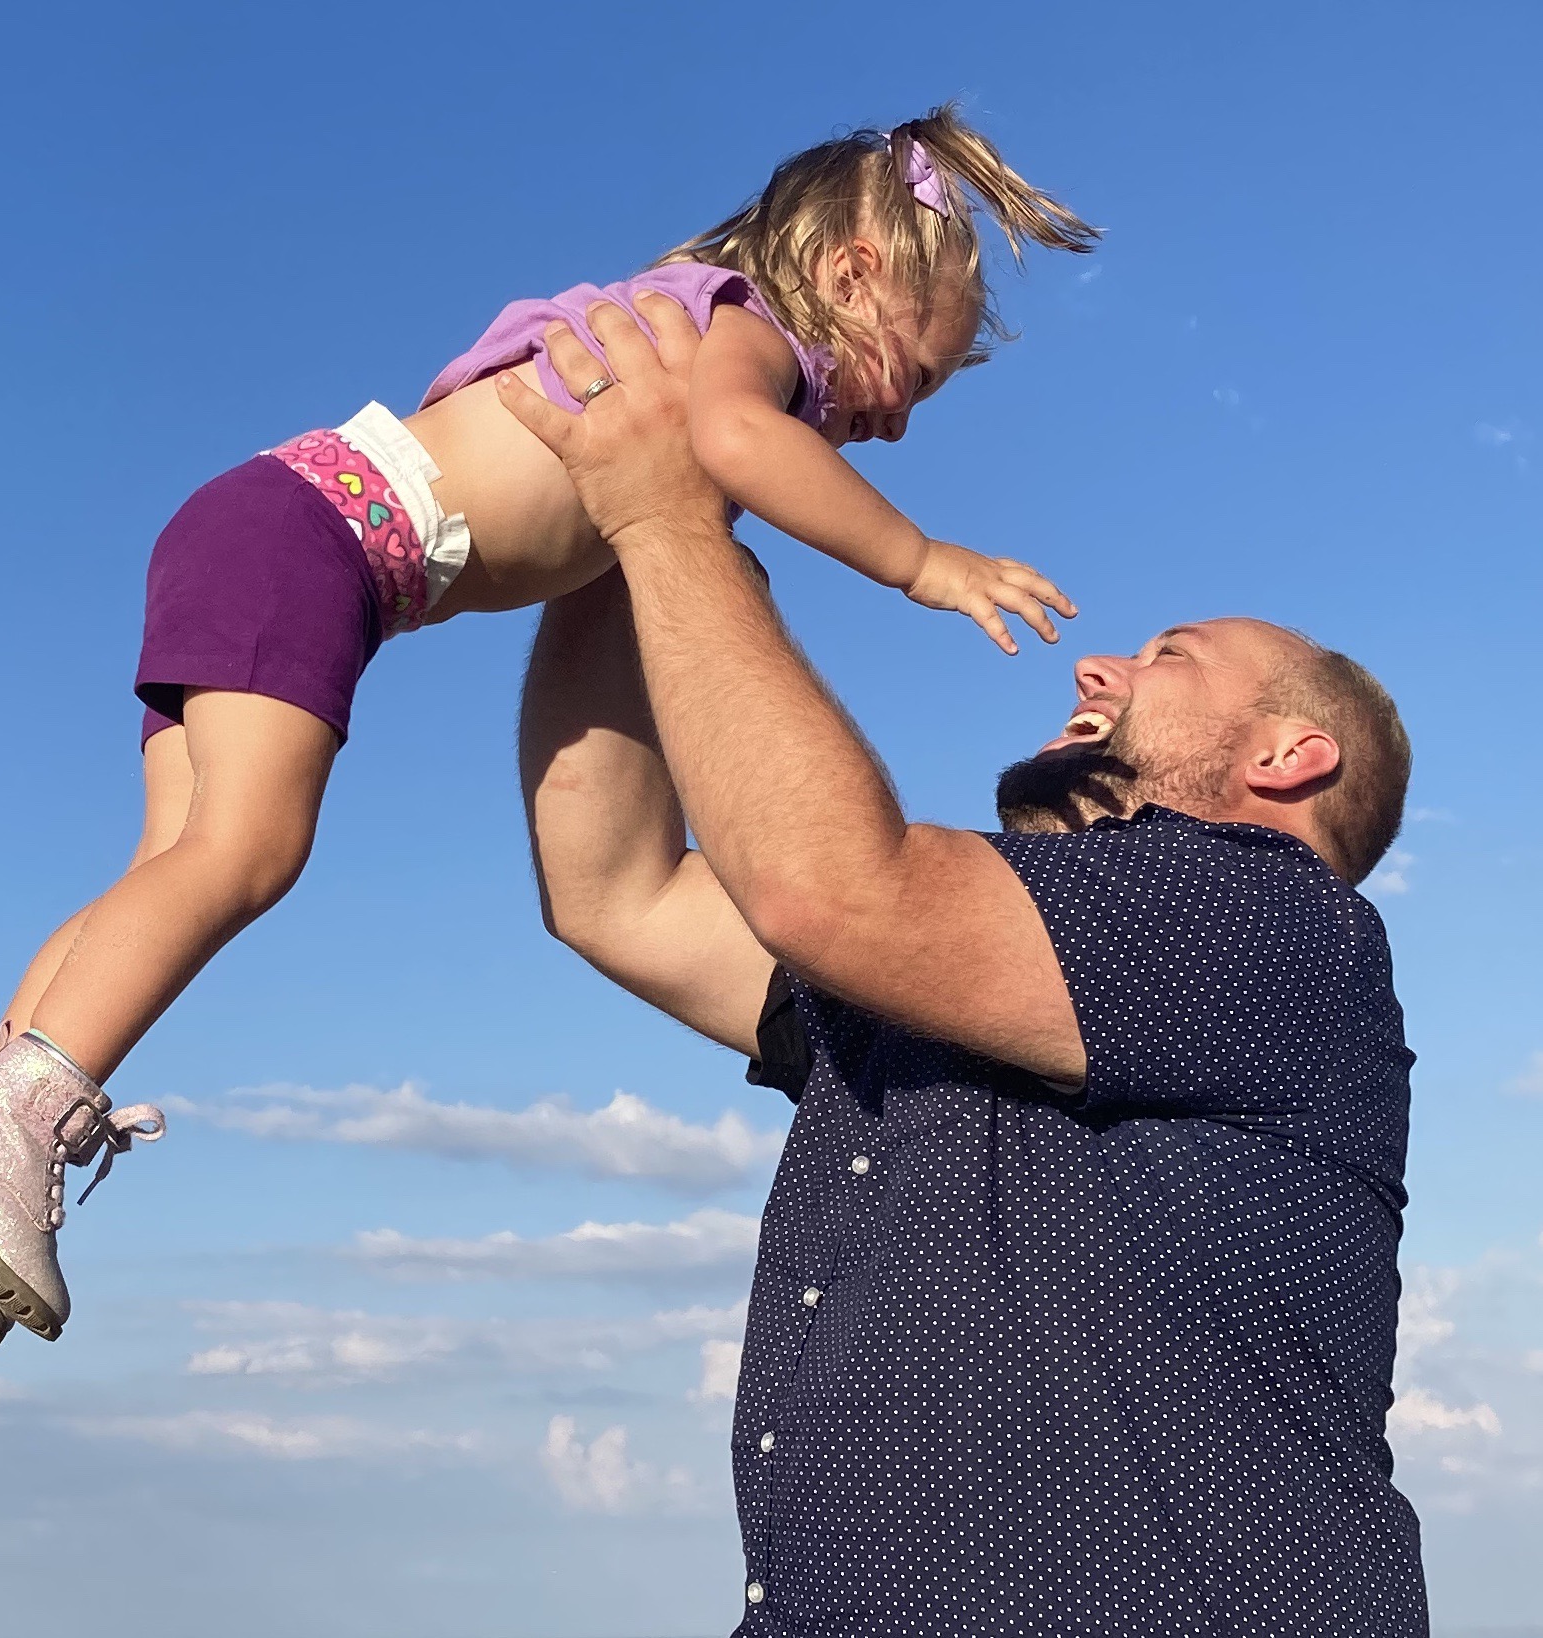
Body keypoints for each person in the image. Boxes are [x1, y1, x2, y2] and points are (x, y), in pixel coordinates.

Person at [0, 106, 1095, 1349]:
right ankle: (18, 1114)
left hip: (265, 514)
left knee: (177, 863)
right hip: (322, 541)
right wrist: (919, 559)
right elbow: (733, 440)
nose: (897, 421)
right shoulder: (740, 337)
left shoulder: (673, 317)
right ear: (848, 274)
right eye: (914, 376)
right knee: (250, 849)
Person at [510, 302, 1426, 1634]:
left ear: (1288, 756)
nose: (1101, 662)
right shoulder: (951, 980)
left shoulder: (1277, 924)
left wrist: (668, 523)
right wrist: (617, 534)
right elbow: (619, 892)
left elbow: (826, 887)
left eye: (1170, 655)